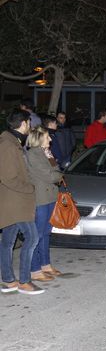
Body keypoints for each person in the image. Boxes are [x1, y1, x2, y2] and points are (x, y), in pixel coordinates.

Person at [0, 110, 42, 295]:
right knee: (32, 237)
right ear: (24, 123)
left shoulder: (13, 142)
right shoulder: (8, 145)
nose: (31, 126)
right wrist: (30, 188)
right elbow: (8, 178)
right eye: (29, 123)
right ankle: (24, 282)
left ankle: (8, 280)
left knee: (8, 241)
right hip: (16, 202)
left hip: (14, 201)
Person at [25, 126, 64, 282]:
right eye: (47, 137)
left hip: (50, 197)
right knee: (37, 234)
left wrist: (57, 173)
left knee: (46, 232)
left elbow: (56, 169)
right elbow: (50, 175)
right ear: (39, 138)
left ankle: (45, 265)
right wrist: (58, 174)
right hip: (40, 199)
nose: (50, 139)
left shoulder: (46, 153)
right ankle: (34, 270)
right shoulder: (32, 154)